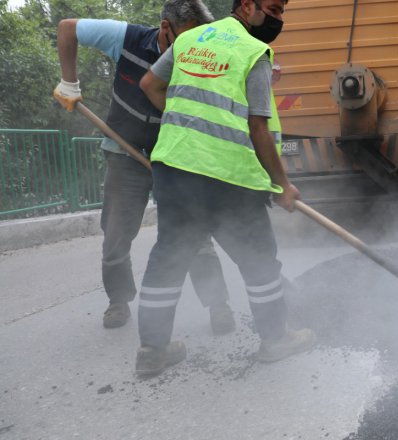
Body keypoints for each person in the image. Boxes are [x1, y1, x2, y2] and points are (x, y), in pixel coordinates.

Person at [136, 0, 315, 376]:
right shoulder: (254, 52)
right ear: (247, 5)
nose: (278, 18)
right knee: (259, 262)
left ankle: (152, 350)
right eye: (273, 9)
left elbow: (150, 84)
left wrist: (189, 126)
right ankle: (276, 339)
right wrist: (282, 184)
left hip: (175, 166)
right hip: (229, 176)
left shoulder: (190, 40)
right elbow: (258, 127)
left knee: (168, 258)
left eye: (282, 11)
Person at [52, 0, 236, 334]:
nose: (194, 47)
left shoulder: (200, 57)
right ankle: (118, 301)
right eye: (187, 38)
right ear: (166, 28)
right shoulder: (127, 39)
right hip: (126, 153)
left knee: (194, 233)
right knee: (116, 234)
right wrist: (70, 84)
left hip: (175, 155)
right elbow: (67, 28)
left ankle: (217, 303)